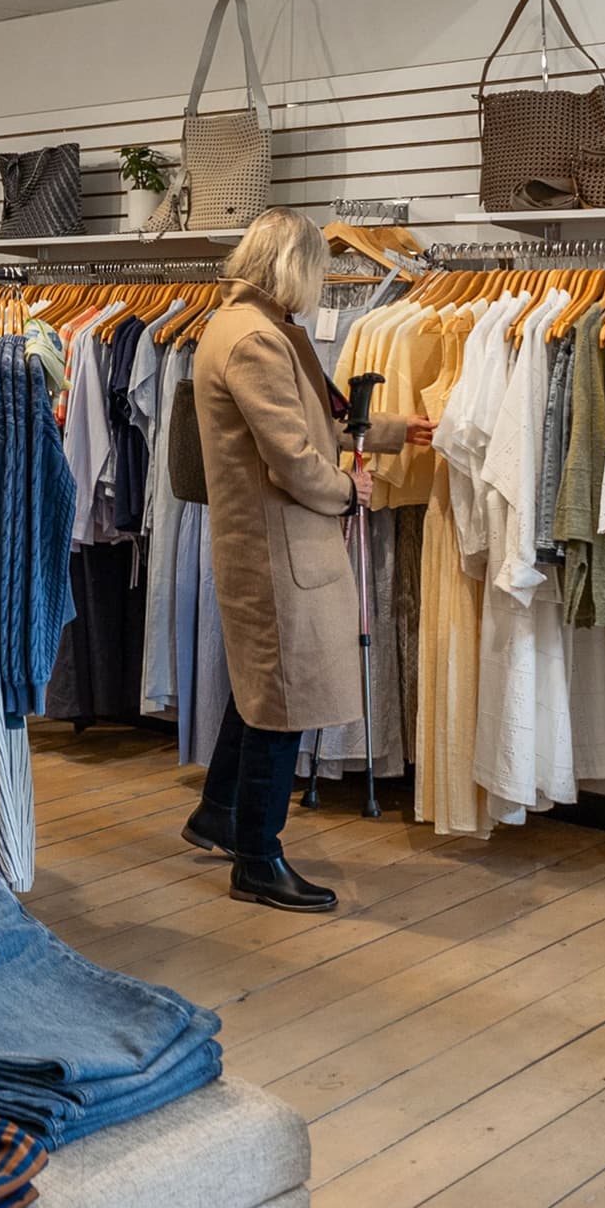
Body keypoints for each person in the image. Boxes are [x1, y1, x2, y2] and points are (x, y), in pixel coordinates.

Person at [184, 207, 419, 911]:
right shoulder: (256, 338)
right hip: (277, 542)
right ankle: (258, 857)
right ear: (295, 266)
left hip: (270, 539)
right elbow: (291, 455)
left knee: (264, 686)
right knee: (284, 699)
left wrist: (398, 431)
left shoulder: (248, 326)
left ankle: (219, 812)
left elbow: (315, 415)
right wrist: (349, 490)